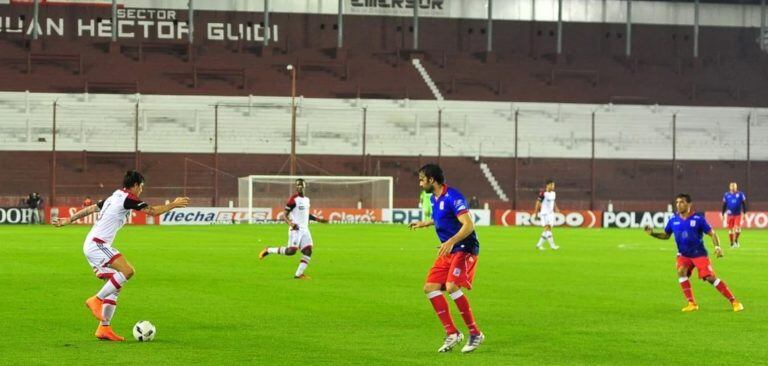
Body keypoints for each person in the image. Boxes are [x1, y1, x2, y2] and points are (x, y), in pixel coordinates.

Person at [52, 171, 190, 341]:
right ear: (136, 185)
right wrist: (173, 204)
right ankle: (96, 299)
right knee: (128, 271)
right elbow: (153, 211)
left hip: (93, 244)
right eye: (141, 187)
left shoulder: (114, 197)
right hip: (97, 244)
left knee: (115, 285)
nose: (141, 191)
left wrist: (69, 220)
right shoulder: (127, 198)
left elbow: (91, 209)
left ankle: (104, 329)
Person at [409, 164, 485, 353]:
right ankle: (452, 333)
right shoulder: (435, 198)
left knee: (452, 286)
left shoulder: (454, 196)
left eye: (421, 179)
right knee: (430, 287)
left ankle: (475, 333)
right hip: (449, 250)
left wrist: (450, 241)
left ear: (431, 180)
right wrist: (425, 223)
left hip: (464, 248)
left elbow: (468, 225)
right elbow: (442, 217)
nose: (420, 183)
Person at [645, 193, 744, 312]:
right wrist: (652, 234)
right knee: (681, 271)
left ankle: (734, 301)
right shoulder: (673, 219)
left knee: (710, 278)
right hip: (684, 255)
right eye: (677, 202)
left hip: (699, 254)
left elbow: (712, 234)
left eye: (681, 202)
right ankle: (692, 303)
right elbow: (666, 235)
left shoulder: (699, 219)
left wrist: (717, 247)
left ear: (689, 204)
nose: (678, 205)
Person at [259, 179, 328, 279]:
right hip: (296, 229)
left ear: (304, 186)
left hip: (305, 229)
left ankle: (299, 274)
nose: (299, 187)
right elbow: (284, 215)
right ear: (296, 187)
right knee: (291, 251)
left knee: (308, 251)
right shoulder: (293, 199)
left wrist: (319, 220)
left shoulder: (307, 200)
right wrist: (291, 223)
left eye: (301, 185)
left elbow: (305, 214)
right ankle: (269, 250)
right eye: (297, 186)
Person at [533, 179, 560, 250]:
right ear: (547, 185)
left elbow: (553, 201)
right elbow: (538, 203)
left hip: (551, 214)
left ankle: (538, 245)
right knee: (548, 229)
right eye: (552, 185)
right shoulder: (543, 193)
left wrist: (556, 208)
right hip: (544, 214)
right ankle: (552, 246)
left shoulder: (554, 193)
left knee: (547, 229)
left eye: (553, 185)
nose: (553, 186)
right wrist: (536, 214)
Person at [722, 182, 747, 248]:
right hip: (729, 214)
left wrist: (744, 213)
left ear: (736, 187)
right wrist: (723, 214)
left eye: (734, 186)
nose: (733, 187)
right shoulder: (726, 195)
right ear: (729, 187)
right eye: (732, 186)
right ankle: (732, 243)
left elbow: (744, 204)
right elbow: (724, 205)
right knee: (730, 230)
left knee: (737, 228)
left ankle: (736, 240)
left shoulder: (740, 194)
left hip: (738, 214)